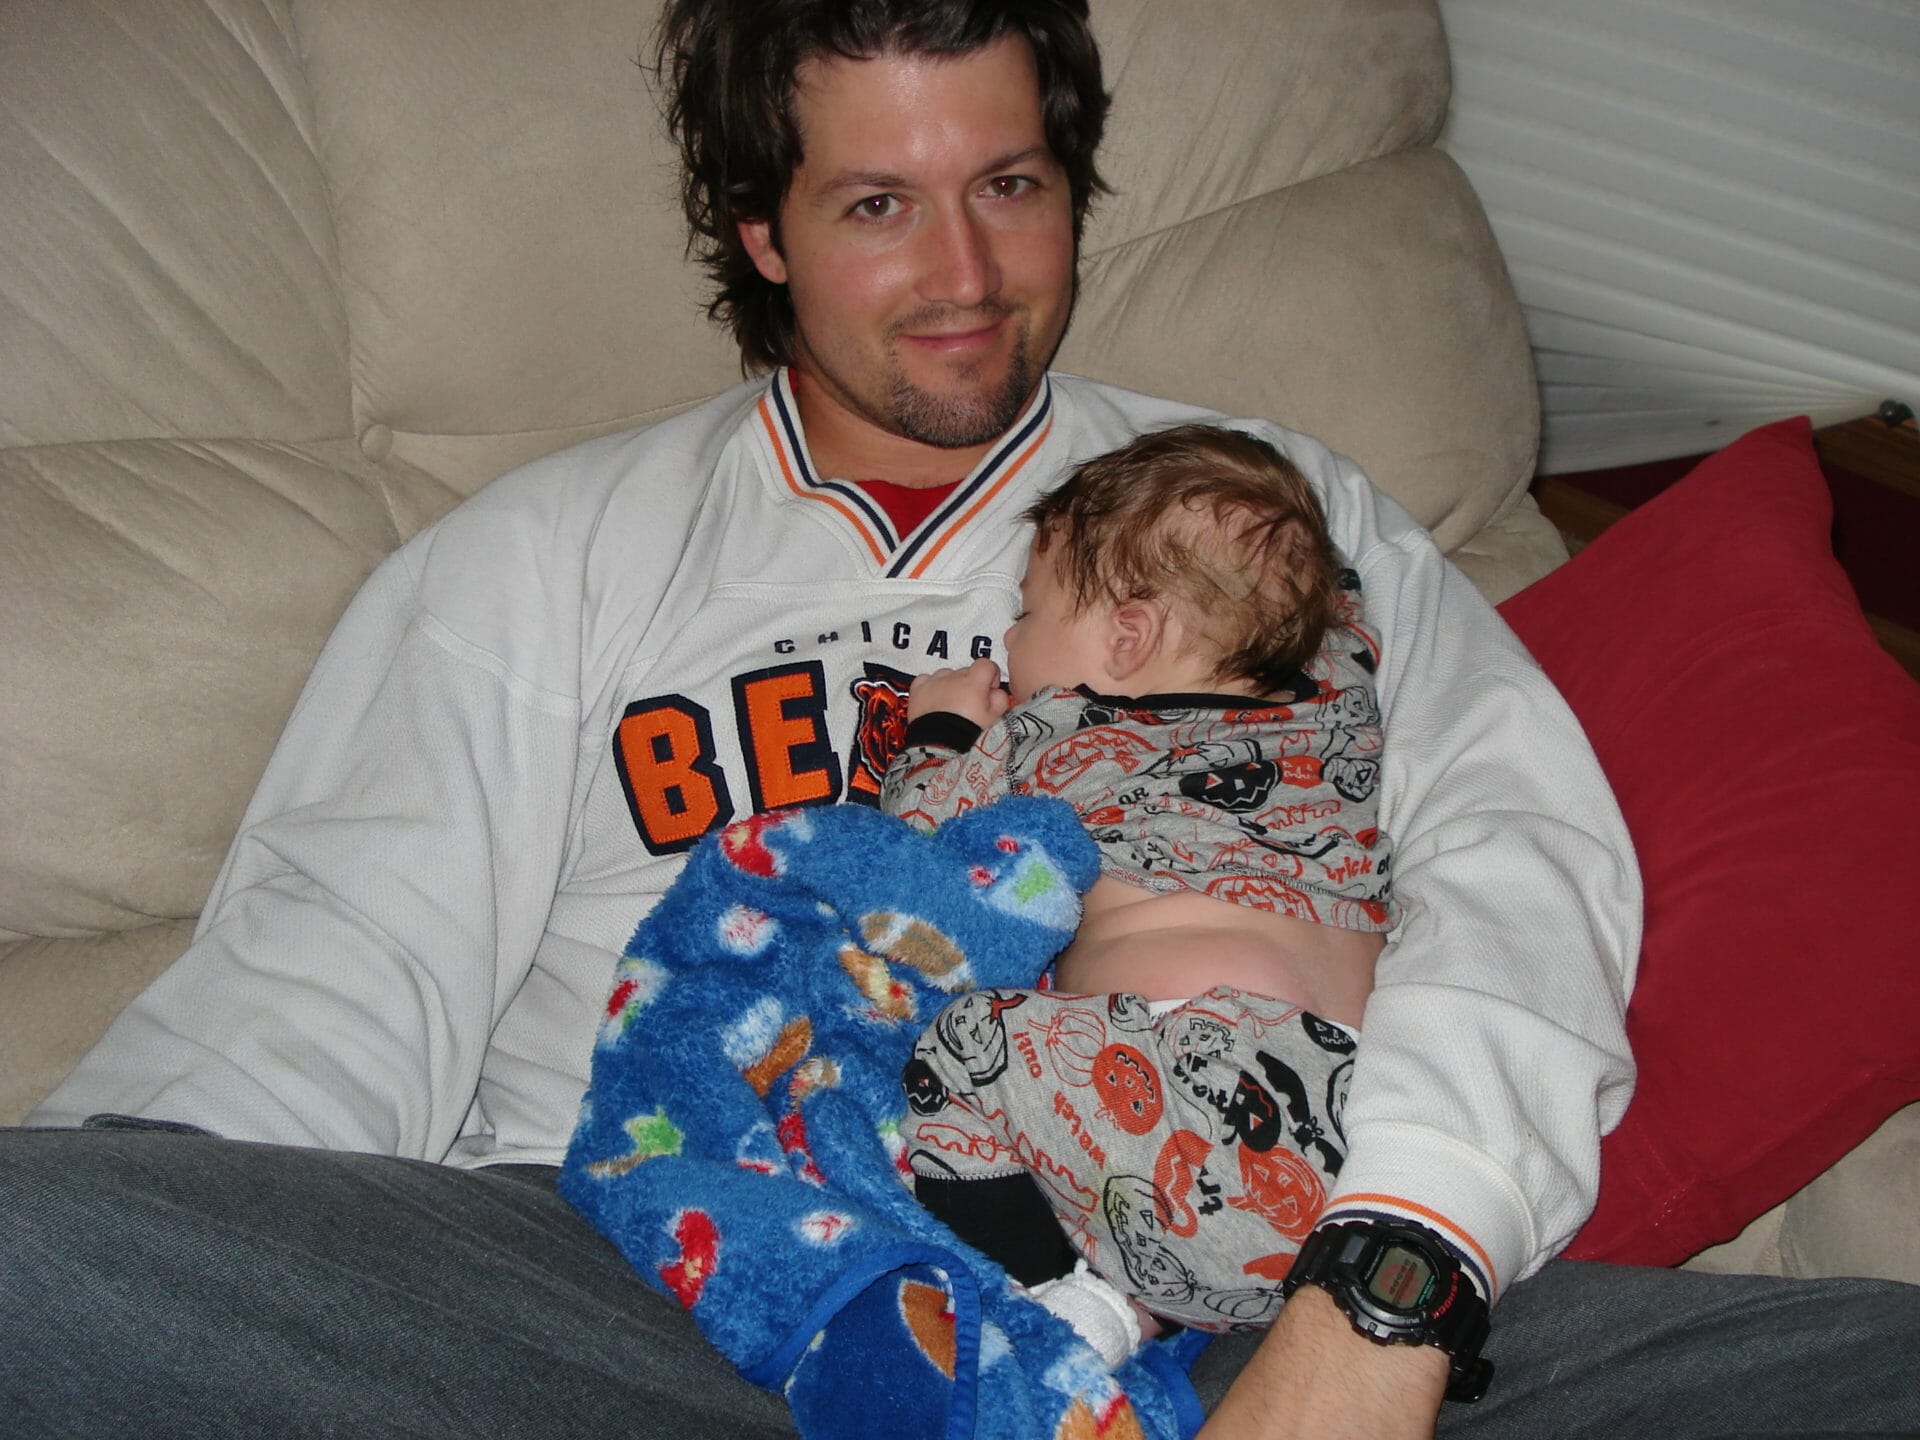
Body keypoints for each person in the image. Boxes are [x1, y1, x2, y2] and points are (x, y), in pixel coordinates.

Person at [4, 3, 1917, 1438]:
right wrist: (147, 1233)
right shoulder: (542, 563)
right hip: (664, 1285)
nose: (967, 279)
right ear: (759, 231)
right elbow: (331, 975)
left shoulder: (1261, 516)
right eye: (876, 204)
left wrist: (1390, 1283)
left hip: (1233, 1281)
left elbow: (1516, 856)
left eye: (1011, 185)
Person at [880, 424, 1390, 1360]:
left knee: (964, 1044)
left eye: (1029, 613)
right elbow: (1337, 605)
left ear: (1128, 636)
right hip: (1361, 1140)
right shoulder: (1337, 708)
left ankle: (1033, 1305)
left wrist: (942, 729)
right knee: (1160, 1203)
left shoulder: (1062, 736)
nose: (1010, 638)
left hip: (1187, 1086)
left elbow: (921, 847)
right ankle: (1136, 1300)